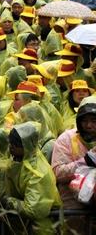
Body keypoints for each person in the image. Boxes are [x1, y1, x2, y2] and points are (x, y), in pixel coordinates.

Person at [4, 122, 61, 234]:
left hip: (41, 228)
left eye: (15, 144)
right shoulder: (21, 160)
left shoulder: (38, 172)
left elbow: (33, 209)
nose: (11, 147)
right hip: (24, 225)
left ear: (26, 145)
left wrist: (10, 202)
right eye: (10, 143)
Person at [51, 96, 96, 232]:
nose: (89, 126)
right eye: (85, 121)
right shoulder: (66, 139)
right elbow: (57, 172)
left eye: (94, 121)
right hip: (73, 208)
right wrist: (85, 161)